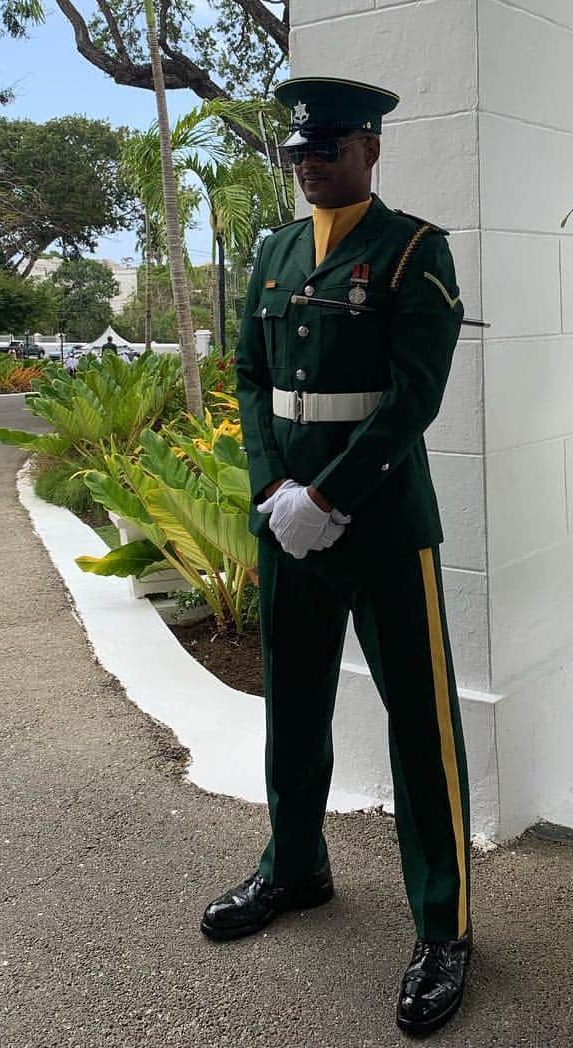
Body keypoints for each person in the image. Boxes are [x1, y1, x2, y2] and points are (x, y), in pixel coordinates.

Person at [201, 76, 471, 1037]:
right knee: (295, 699)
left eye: (330, 148)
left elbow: (413, 398)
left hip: (383, 525)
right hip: (286, 524)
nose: (311, 163)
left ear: (371, 149)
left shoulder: (412, 252)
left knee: (420, 727)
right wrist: (275, 491)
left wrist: (331, 497)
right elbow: (250, 377)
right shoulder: (273, 252)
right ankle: (295, 866)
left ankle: (444, 927)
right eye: (299, 152)